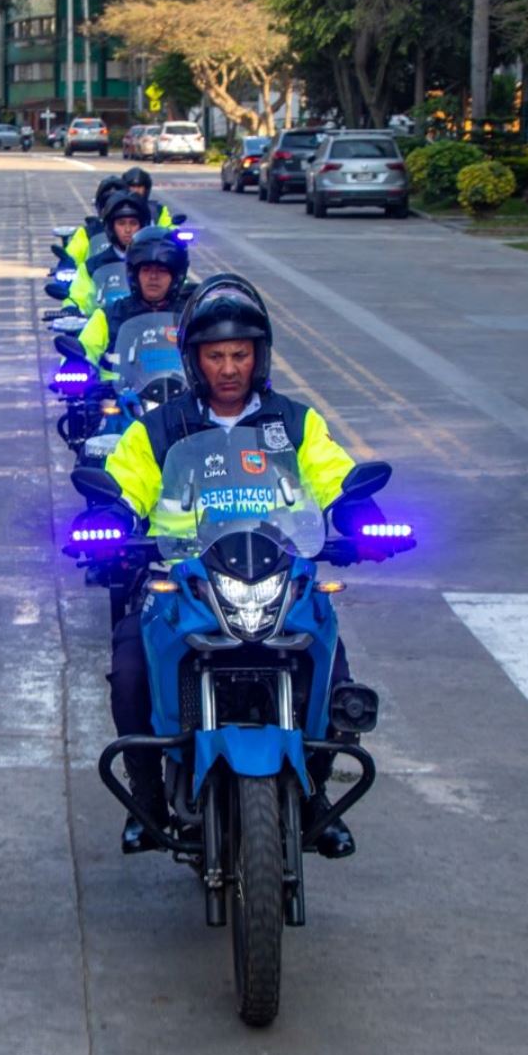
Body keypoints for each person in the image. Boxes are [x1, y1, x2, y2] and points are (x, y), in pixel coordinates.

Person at [99, 275, 367, 858]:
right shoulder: (161, 426)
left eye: (239, 354)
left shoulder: (295, 422)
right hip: (185, 580)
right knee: (128, 668)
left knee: (332, 660)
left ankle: (315, 790)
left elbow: (330, 471)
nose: (228, 367)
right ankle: (145, 798)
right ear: (194, 360)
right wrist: (112, 512)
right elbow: (128, 481)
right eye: (215, 355)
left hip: (278, 573)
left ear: (259, 356)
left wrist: (356, 504)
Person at [78, 225, 191, 374]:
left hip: (181, 394)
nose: (153, 277)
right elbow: (85, 351)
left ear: (177, 277)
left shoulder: (192, 317)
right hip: (115, 395)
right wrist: (75, 365)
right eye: (146, 270)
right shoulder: (108, 317)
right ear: (134, 274)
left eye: (162, 270)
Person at [65, 192, 150, 315]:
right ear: (111, 227)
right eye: (121, 223)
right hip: (107, 329)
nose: (127, 230)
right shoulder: (92, 267)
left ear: (142, 226)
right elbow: (77, 298)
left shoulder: (156, 263)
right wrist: (71, 309)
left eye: (133, 223)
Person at [62, 176, 128, 271]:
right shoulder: (88, 232)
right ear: (99, 207)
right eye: (106, 205)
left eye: (117, 206)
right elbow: (73, 256)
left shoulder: (139, 230)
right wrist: (66, 262)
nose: (127, 229)